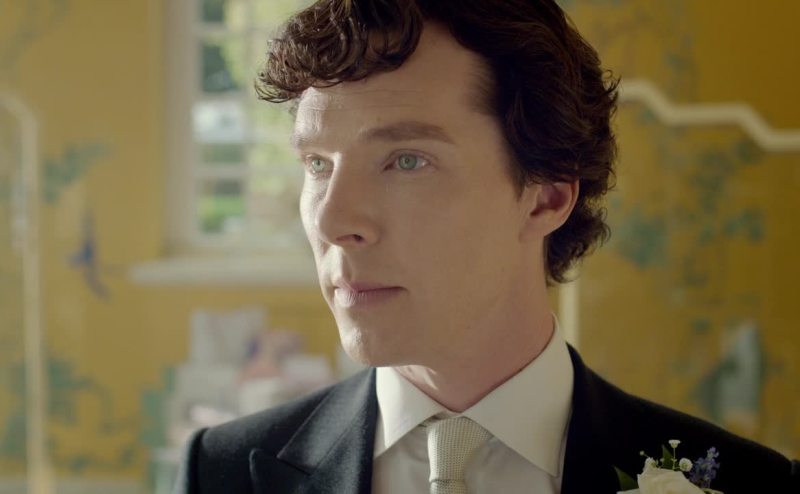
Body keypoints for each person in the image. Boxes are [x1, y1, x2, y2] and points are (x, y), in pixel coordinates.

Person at [173, 1, 799, 492]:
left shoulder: (747, 484)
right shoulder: (223, 473)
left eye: (406, 160)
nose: (335, 220)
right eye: (317, 164)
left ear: (546, 197)